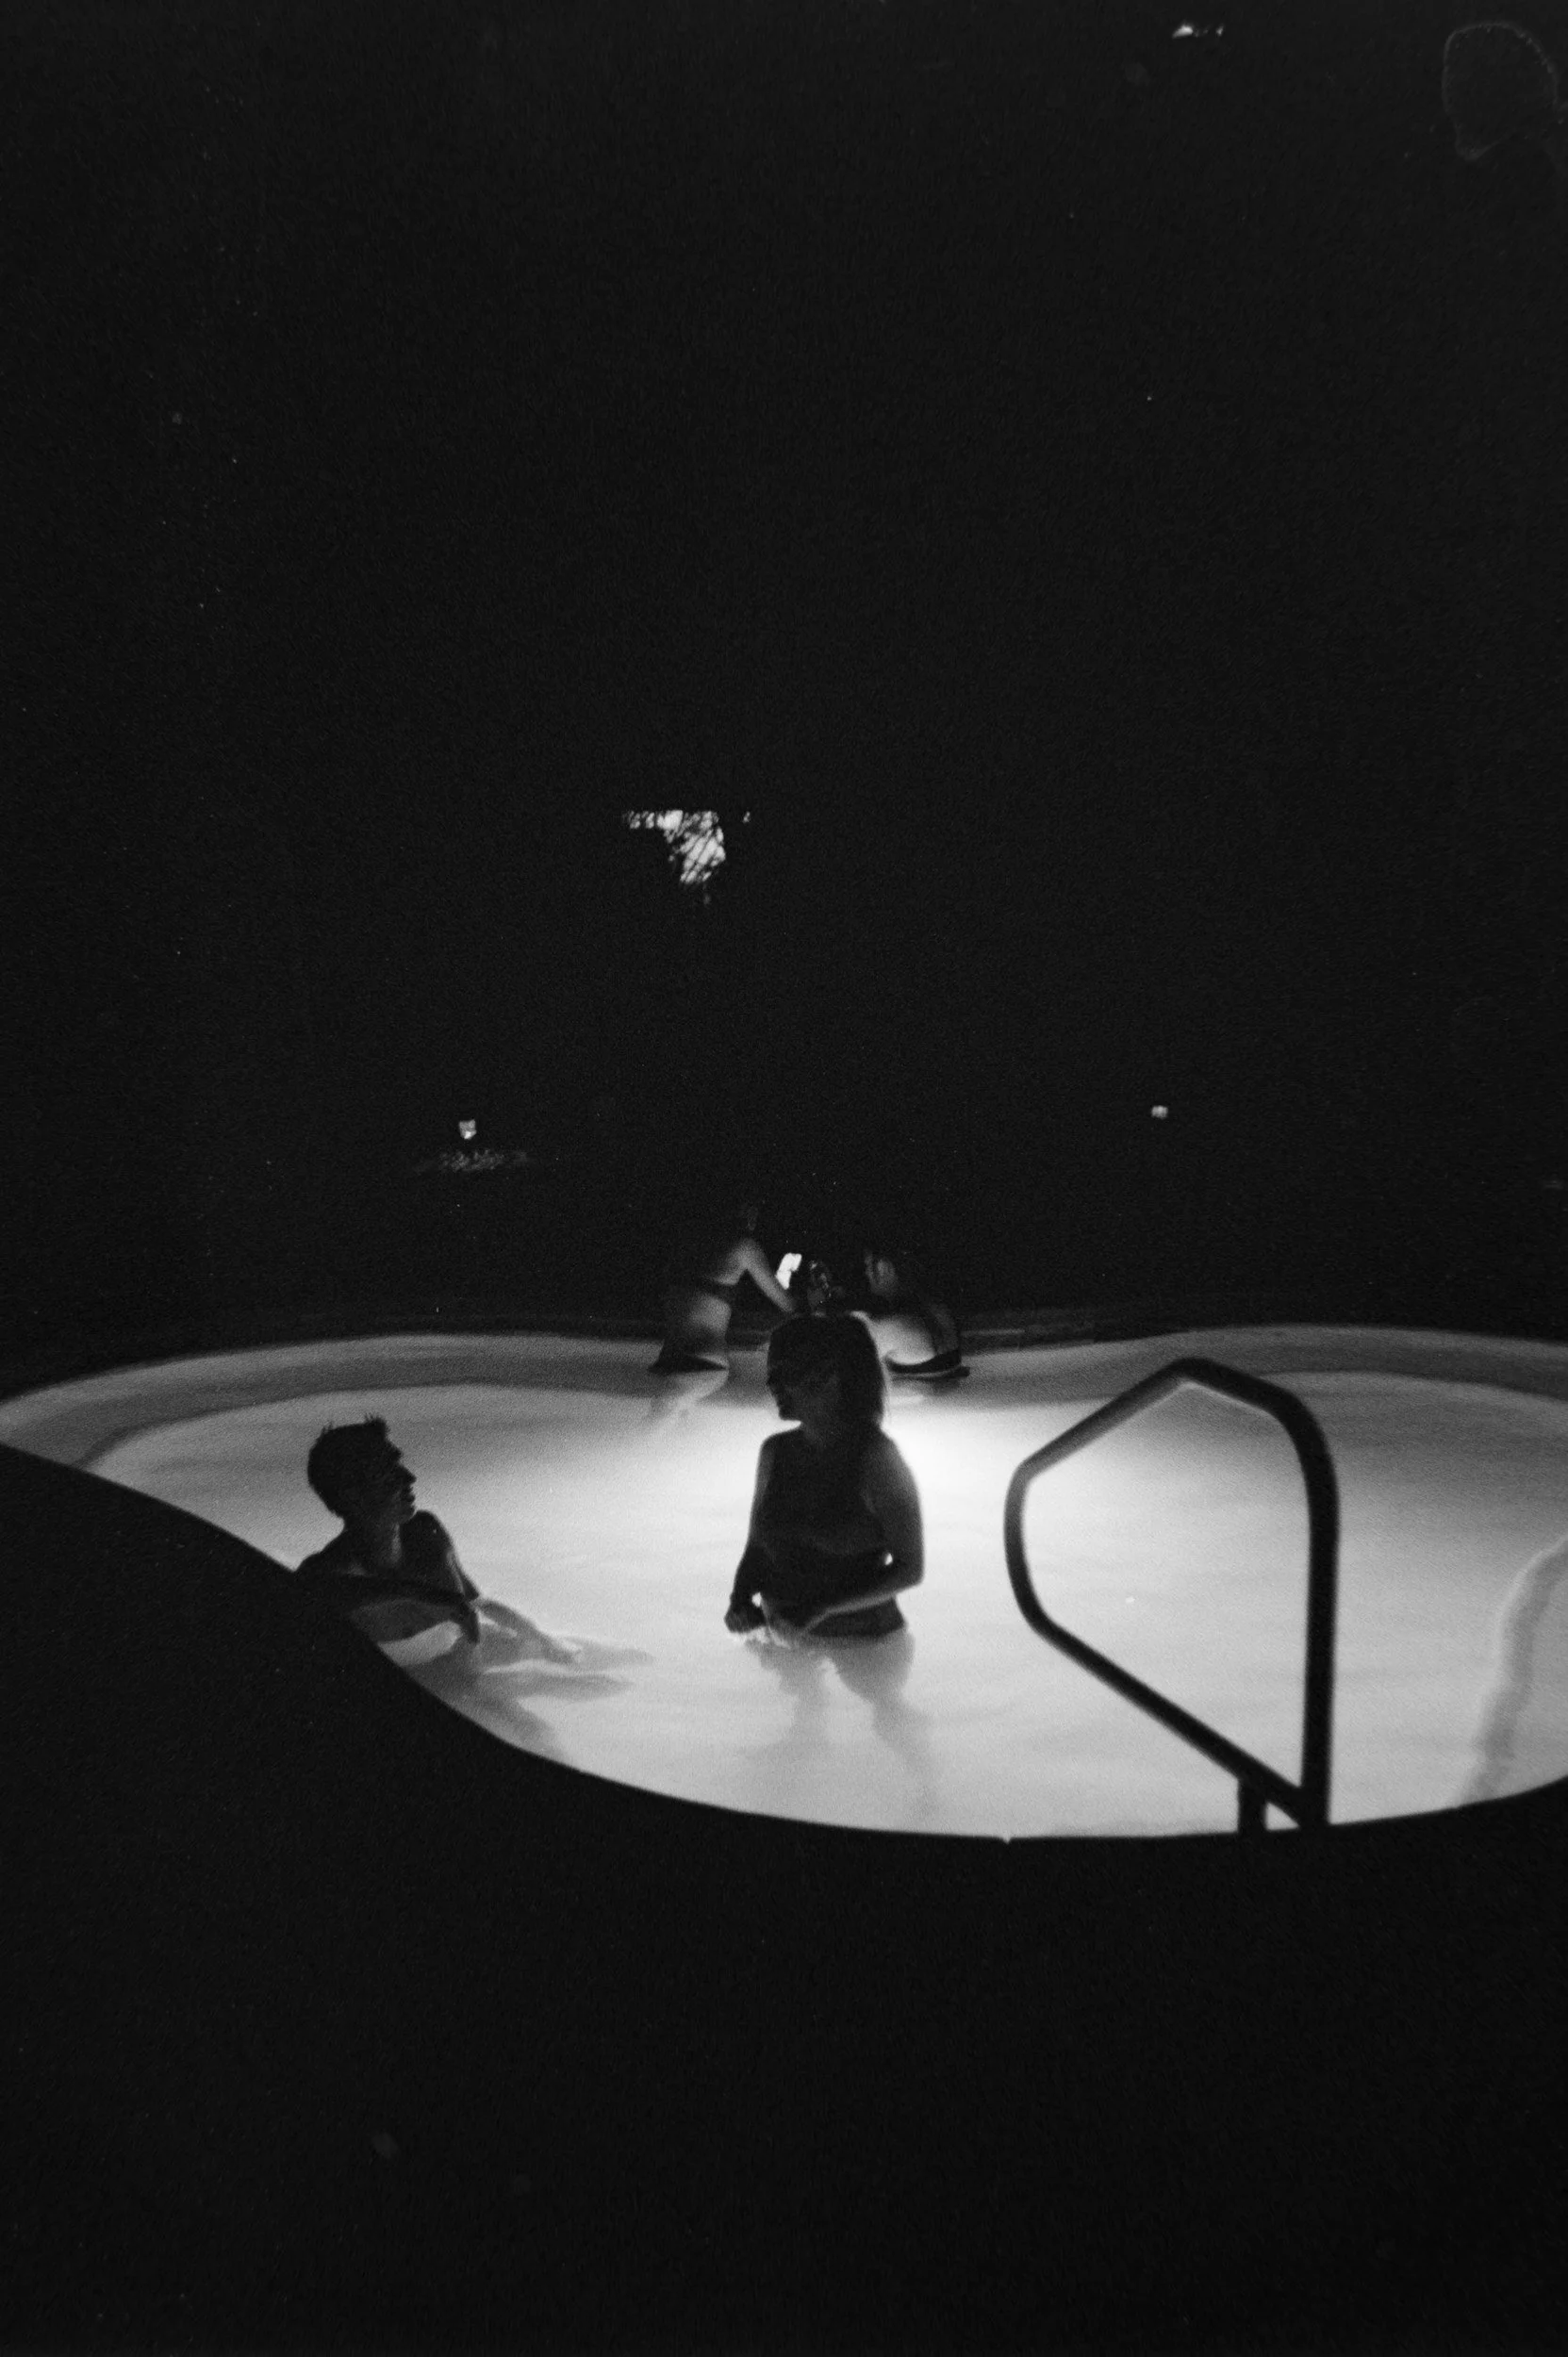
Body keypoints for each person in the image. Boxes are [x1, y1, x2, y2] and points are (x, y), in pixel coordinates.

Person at [297, 1417, 574, 1664]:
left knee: (600, 1664)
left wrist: (544, 1640)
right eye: (386, 1472)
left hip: (464, 1659)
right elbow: (319, 1595)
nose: (409, 1477)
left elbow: (474, 1602)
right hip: (434, 1683)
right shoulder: (327, 1573)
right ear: (353, 1495)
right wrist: (428, 1596)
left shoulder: (425, 1532)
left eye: (398, 1463)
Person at [725, 1314, 924, 1639]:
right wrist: (740, 1599)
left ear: (829, 1376)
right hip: (780, 1634)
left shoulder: (876, 1459)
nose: (771, 1384)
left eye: (783, 1372)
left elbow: (909, 1569)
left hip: (864, 1645)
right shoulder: (774, 1452)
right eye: (771, 1374)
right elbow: (757, 1545)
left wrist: (819, 1609)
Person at [652, 1195, 798, 1373]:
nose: (755, 1219)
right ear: (741, 1211)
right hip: (705, 1365)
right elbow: (787, 1304)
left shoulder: (687, 1244)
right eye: (752, 1211)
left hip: (664, 1363)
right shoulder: (744, 1247)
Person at [857, 1242, 968, 1381]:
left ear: (884, 1267)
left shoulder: (890, 1328)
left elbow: (846, 1371)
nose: (866, 1273)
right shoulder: (941, 1312)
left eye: (867, 1266)